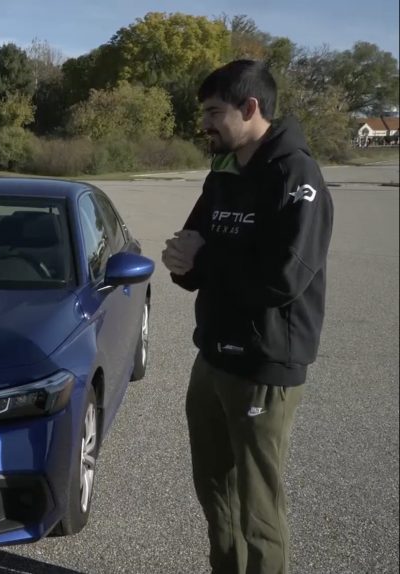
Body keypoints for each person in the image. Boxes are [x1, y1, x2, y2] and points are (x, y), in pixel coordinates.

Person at [161, 60, 333, 574]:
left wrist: (204, 261)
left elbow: (285, 278)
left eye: (214, 112)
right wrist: (182, 266)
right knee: (215, 493)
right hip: (212, 354)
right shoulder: (224, 171)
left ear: (250, 107)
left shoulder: (296, 174)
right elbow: (194, 246)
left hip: (263, 363)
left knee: (258, 510)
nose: (206, 125)